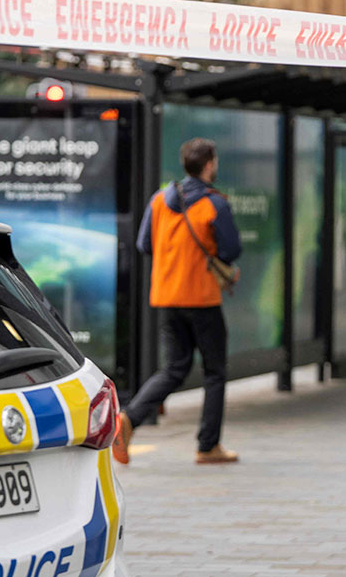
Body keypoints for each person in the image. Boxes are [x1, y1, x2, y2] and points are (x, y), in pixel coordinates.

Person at [112, 138, 242, 465]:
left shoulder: (159, 199)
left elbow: (145, 245)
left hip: (167, 298)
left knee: (174, 368)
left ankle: (129, 418)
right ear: (209, 164)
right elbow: (230, 250)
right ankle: (207, 446)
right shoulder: (214, 204)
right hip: (202, 298)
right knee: (214, 372)